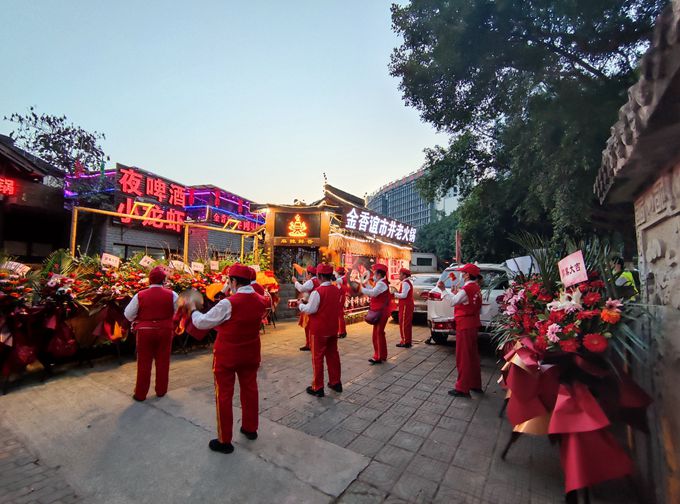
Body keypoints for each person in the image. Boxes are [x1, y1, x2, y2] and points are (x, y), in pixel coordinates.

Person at [189, 263, 268, 454]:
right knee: (250, 390)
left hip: (227, 355)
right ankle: (250, 428)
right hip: (250, 353)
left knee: (224, 395)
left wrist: (193, 310)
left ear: (233, 281)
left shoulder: (229, 303)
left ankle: (225, 440)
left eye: (229, 281)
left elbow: (202, 322)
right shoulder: (261, 300)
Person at [124, 266, 179, 402]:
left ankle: (140, 394)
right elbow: (179, 312)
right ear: (164, 280)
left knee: (144, 362)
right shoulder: (172, 295)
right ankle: (161, 390)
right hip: (165, 330)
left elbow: (128, 314)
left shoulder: (140, 295)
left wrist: (140, 319)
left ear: (149, 280)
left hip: (145, 331)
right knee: (163, 361)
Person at [436, 263, 483, 398]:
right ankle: (475, 384)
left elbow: (453, 302)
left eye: (463, 273)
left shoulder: (467, 288)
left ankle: (463, 387)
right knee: (472, 356)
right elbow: (461, 300)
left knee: (463, 357)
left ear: (468, 275)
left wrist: (443, 290)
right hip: (473, 323)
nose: (461, 275)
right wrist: (454, 294)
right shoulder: (475, 287)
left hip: (465, 324)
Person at [299, 263, 342, 397]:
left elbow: (311, 309)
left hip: (318, 330)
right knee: (333, 355)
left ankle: (318, 387)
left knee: (317, 358)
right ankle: (336, 382)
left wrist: (300, 305)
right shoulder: (336, 290)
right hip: (332, 328)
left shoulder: (318, 292)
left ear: (320, 276)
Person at [361, 263, 391, 365]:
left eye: (374, 273)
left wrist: (361, 289)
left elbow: (373, 293)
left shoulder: (381, 284)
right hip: (381, 311)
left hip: (381, 312)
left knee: (378, 334)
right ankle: (381, 355)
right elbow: (372, 290)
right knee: (379, 333)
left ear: (378, 274)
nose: (373, 275)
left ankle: (378, 356)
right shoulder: (381, 283)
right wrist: (365, 285)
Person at [292, 265, 320, 351]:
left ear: (310, 274)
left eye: (307, 274)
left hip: (309, 306)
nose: (306, 275)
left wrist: (295, 281)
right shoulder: (317, 280)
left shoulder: (311, 281)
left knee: (308, 326)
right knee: (309, 327)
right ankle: (310, 344)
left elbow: (301, 289)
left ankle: (310, 344)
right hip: (313, 304)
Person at [393, 268, 414, 348]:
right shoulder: (406, 282)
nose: (399, 276)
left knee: (404, 323)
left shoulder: (405, 283)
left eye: (400, 274)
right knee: (406, 323)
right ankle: (407, 340)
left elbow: (404, 295)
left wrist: (395, 294)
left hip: (406, 305)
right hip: (406, 305)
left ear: (404, 275)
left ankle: (405, 341)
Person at [335, 266, 349, 338]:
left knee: (340, 315)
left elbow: (335, 281)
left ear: (339, 273)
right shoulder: (342, 278)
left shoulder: (341, 279)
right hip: (341, 296)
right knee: (340, 315)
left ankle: (342, 332)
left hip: (340, 297)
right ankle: (341, 331)